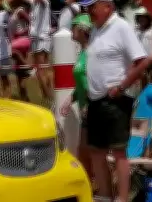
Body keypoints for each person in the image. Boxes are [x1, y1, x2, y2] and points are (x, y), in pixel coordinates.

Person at [82, 0, 151, 202]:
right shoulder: (96, 29)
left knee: (119, 151)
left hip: (116, 99)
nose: (89, 11)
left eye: (93, 7)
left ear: (107, 6)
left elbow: (142, 61)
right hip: (95, 99)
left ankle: (122, 198)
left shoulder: (121, 27)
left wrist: (121, 87)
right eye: (88, 7)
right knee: (96, 150)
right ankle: (105, 196)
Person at [59, 14, 93, 179]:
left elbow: (93, 81)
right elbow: (81, 82)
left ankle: (96, 184)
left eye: (73, 26)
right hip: (84, 106)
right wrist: (71, 98)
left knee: (88, 151)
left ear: (81, 29)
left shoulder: (92, 52)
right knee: (85, 150)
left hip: (92, 107)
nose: (71, 30)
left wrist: (88, 102)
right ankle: (91, 183)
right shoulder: (82, 52)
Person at [26, 0, 53, 101]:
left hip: (41, 39)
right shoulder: (34, 3)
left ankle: (47, 95)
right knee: (44, 68)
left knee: (41, 70)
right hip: (38, 40)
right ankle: (48, 93)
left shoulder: (45, 2)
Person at [134, 7, 152, 87]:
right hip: (141, 59)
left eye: (144, 17)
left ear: (148, 18)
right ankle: (144, 93)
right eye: (140, 17)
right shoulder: (136, 30)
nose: (142, 19)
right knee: (143, 78)